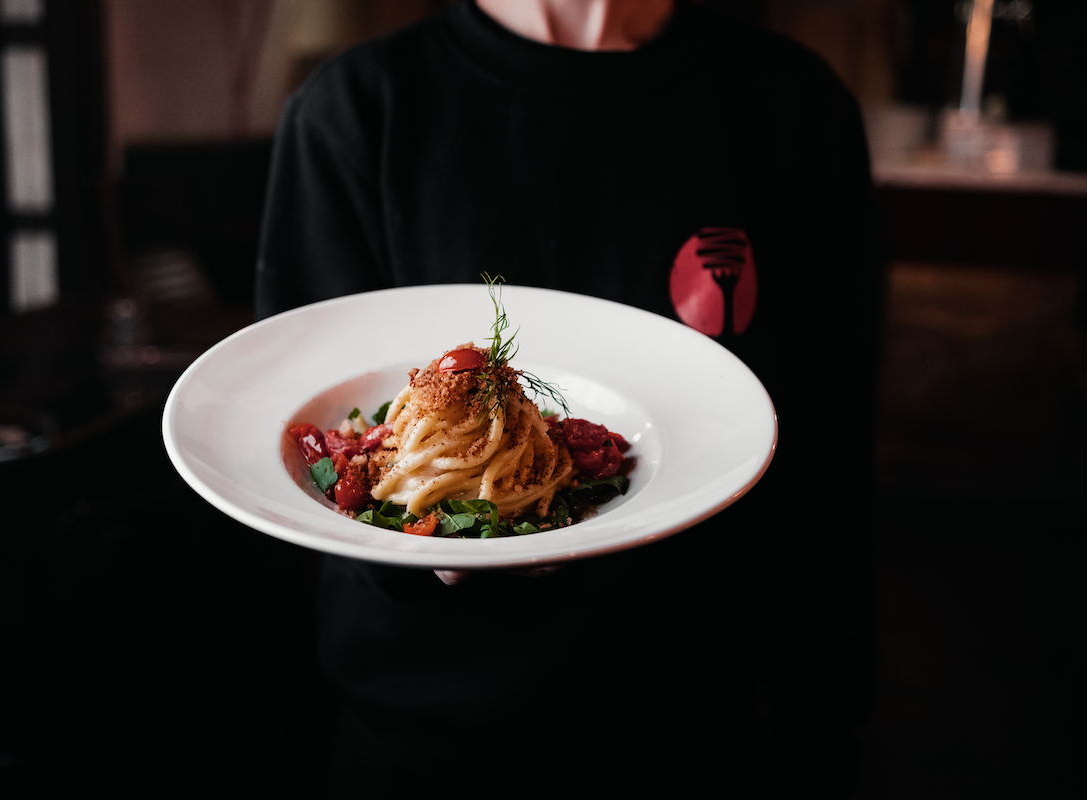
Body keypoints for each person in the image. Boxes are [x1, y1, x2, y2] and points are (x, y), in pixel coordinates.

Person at [255, 1, 882, 796]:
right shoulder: (357, 112)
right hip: (425, 742)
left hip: (699, 726)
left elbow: (829, 466)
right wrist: (422, 538)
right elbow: (297, 491)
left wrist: (827, 729)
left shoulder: (794, 108)